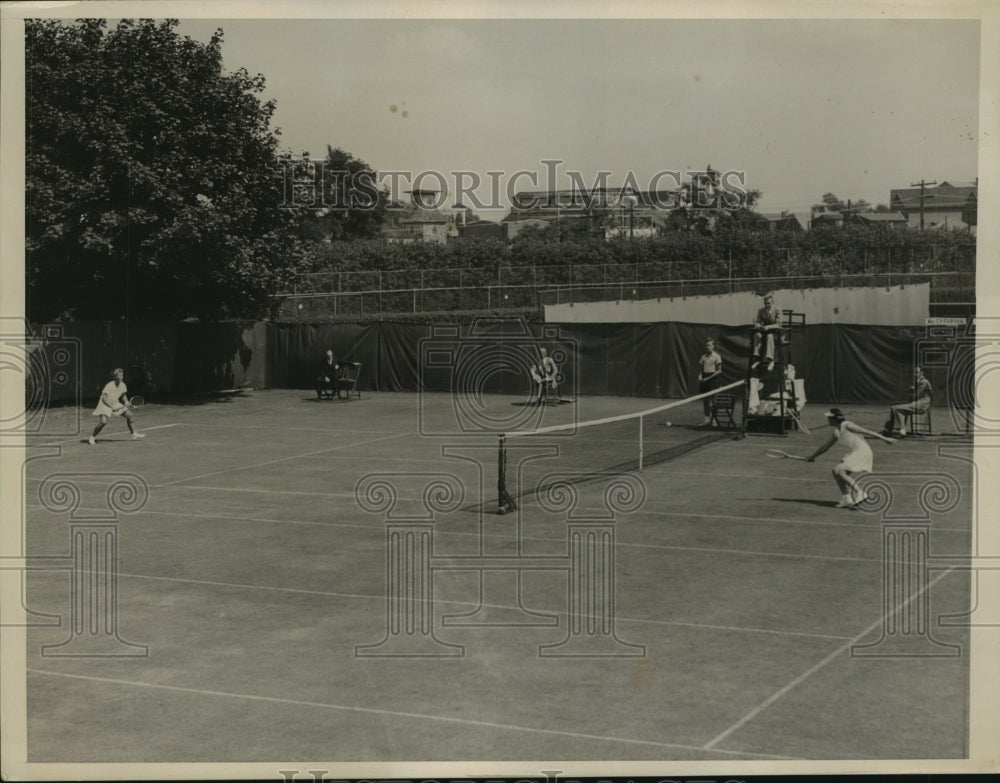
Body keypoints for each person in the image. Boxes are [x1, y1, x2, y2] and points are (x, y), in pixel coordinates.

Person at [807, 408, 893, 508]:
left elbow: (866, 431)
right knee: (836, 472)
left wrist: (885, 438)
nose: (828, 420)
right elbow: (825, 446)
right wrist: (812, 456)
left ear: (835, 419)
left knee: (839, 470)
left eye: (829, 418)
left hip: (862, 451)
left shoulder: (847, 425)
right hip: (855, 452)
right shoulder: (836, 432)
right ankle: (846, 498)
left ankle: (860, 492)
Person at [88, 368, 145, 444]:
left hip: (115, 402)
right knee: (103, 422)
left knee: (130, 415)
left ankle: (133, 434)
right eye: (119, 375)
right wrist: (111, 406)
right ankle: (92, 437)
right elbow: (104, 398)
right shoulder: (109, 385)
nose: (122, 377)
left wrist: (127, 402)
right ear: (115, 377)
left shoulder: (123, 385)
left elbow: (123, 396)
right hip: (104, 403)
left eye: (122, 375)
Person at [882, 366, 932, 437]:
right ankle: (888, 429)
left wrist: (911, 391)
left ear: (921, 373)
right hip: (917, 403)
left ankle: (902, 429)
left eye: (917, 372)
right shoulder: (918, 382)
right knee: (893, 408)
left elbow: (916, 396)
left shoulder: (924, 382)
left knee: (898, 409)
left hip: (922, 404)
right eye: (914, 372)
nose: (915, 374)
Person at [751, 293, 782, 372]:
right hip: (764, 332)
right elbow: (758, 322)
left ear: (772, 302)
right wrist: (759, 326)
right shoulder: (761, 310)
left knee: (770, 336)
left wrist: (768, 327)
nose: (767, 305)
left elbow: (779, 324)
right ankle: (757, 358)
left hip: (776, 333)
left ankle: (770, 360)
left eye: (769, 303)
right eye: (765, 303)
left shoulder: (778, 310)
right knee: (757, 335)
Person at [697, 337, 723, 425]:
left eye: (710, 345)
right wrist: (700, 376)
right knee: (705, 400)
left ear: (713, 346)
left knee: (713, 401)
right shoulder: (703, 356)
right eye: (707, 345)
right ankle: (707, 420)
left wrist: (708, 378)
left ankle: (714, 421)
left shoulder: (717, 356)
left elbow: (719, 371)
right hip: (705, 379)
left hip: (713, 379)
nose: (708, 347)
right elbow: (700, 370)